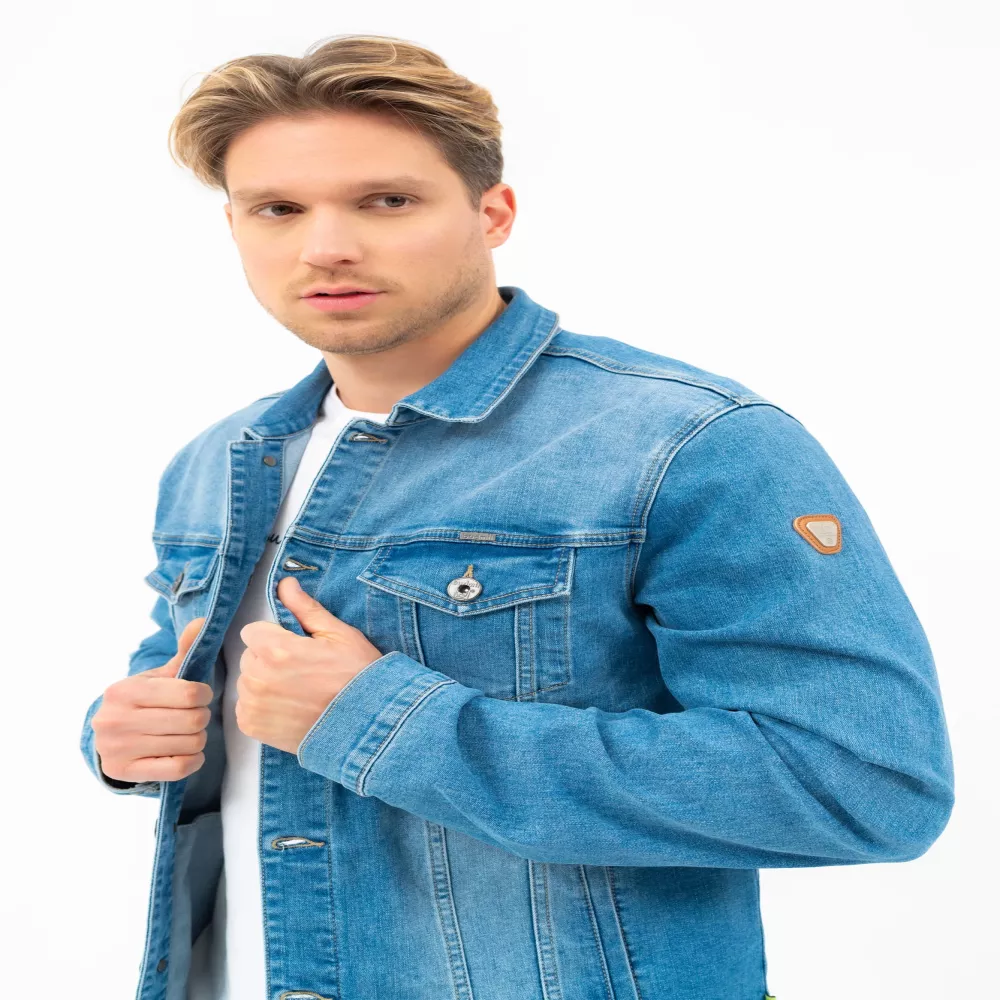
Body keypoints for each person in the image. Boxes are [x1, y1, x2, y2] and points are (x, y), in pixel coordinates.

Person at [80, 32, 954, 1000]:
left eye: (386, 201)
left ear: (492, 212)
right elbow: (190, 694)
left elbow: (863, 784)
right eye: (278, 209)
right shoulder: (220, 458)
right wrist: (124, 742)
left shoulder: (684, 441)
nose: (325, 246)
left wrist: (383, 723)